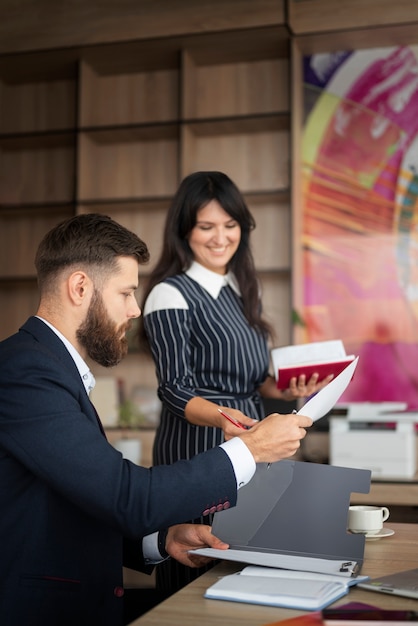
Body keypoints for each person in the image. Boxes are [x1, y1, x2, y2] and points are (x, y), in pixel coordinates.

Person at [0, 213, 313, 626]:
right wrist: (250, 449)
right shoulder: (26, 372)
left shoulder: (47, 367)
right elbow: (125, 496)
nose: (134, 310)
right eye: (127, 293)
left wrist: (159, 539)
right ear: (80, 288)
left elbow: (77, 499)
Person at [141, 171, 332, 596]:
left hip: (252, 437)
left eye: (230, 226)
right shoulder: (170, 293)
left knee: (246, 558)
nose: (219, 238)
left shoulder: (242, 290)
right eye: (206, 226)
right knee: (199, 558)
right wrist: (227, 416)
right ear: (184, 230)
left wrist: (282, 391)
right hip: (198, 443)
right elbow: (174, 389)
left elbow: (253, 379)